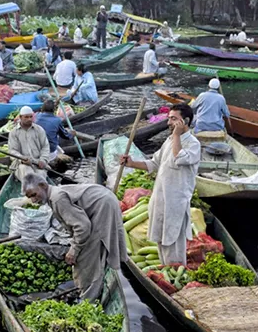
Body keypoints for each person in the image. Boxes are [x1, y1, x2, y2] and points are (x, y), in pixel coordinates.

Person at [23, 174, 127, 300]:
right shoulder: (53, 196)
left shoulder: (57, 199)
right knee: (89, 251)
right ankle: (93, 288)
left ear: (43, 186)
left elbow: (82, 227)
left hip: (103, 207)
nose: (33, 201)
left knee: (87, 258)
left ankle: (88, 300)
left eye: (34, 195)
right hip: (104, 200)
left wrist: (74, 249)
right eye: (30, 198)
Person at [120, 104, 200, 265]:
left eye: (173, 119)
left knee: (173, 242)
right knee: (160, 239)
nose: (169, 123)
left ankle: (176, 269)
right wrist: (131, 163)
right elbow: (154, 164)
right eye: (169, 118)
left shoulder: (193, 144)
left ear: (185, 121)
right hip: (160, 198)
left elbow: (179, 158)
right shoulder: (169, 140)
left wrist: (177, 135)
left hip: (175, 202)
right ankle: (165, 268)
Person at [8, 106, 49, 183]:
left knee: (41, 176)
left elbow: (45, 147)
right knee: (28, 172)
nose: (29, 119)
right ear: (20, 117)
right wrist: (22, 159)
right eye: (26, 117)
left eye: (31, 117)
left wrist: (43, 160)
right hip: (22, 165)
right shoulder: (14, 132)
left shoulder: (39, 130)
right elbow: (13, 150)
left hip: (37, 163)